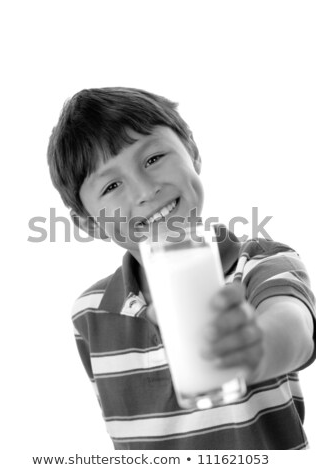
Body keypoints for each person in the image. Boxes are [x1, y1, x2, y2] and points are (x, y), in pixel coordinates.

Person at [47, 87, 315, 450]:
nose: (145, 190)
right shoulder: (90, 314)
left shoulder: (261, 264)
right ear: (90, 224)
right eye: (111, 185)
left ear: (192, 152)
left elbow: (294, 328)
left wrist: (258, 349)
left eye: (154, 158)